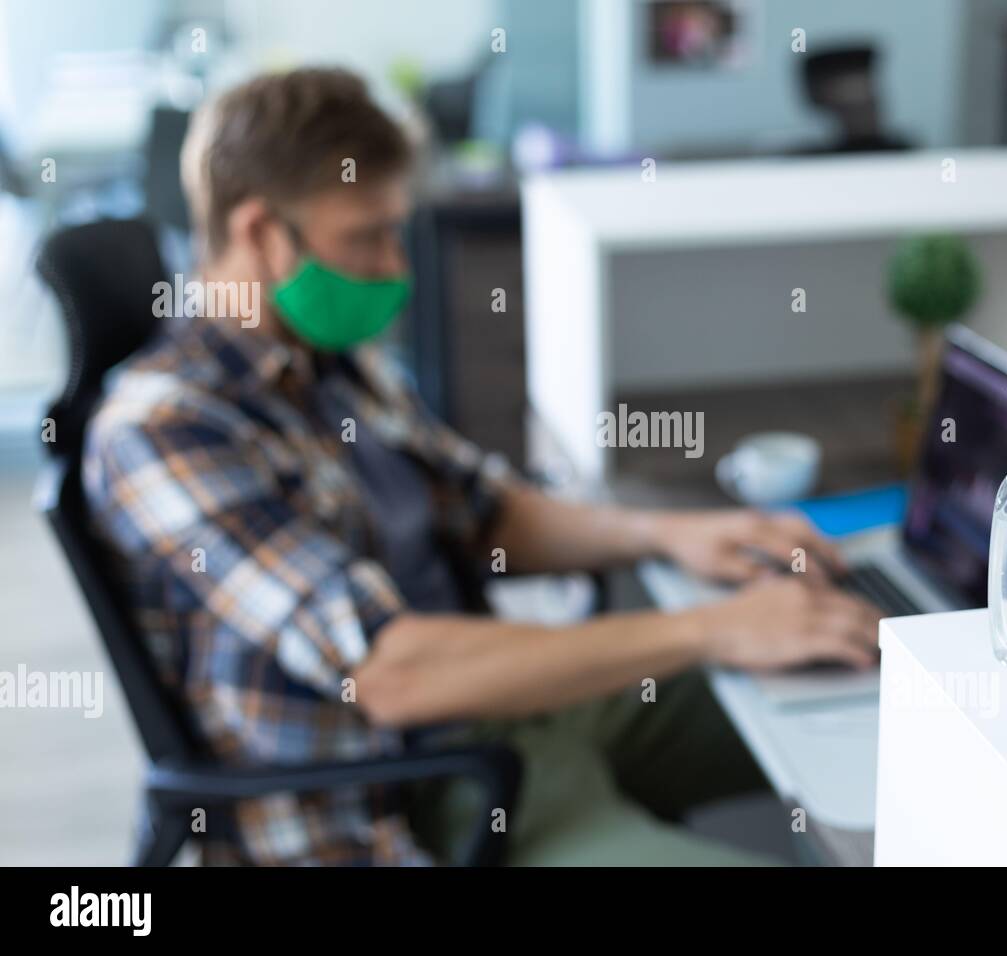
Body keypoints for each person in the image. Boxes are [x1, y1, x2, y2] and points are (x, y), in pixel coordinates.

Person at [83, 68, 882, 866]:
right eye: (364, 237)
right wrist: (709, 628)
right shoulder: (164, 429)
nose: (394, 265)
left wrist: (672, 535)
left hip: (501, 715)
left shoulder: (325, 362)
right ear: (259, 231)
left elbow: (487, 509)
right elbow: (389, 672)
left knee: (858, 665)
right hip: (403, 800)